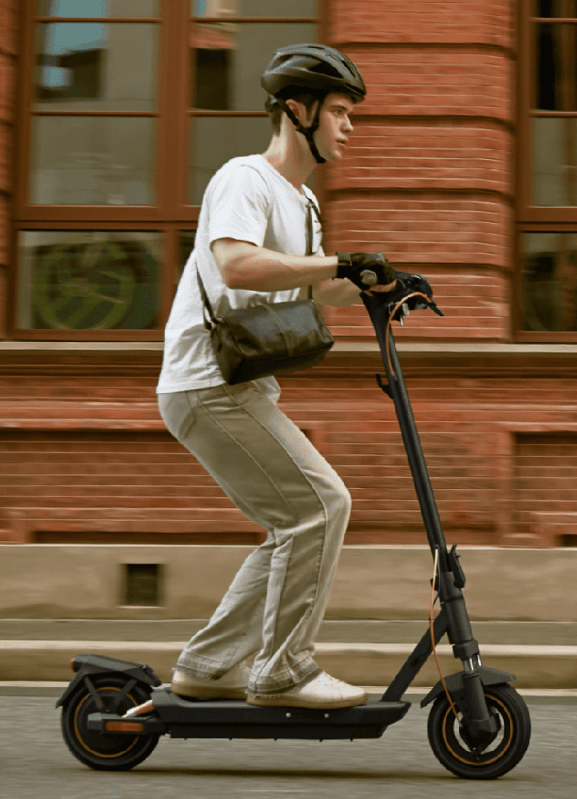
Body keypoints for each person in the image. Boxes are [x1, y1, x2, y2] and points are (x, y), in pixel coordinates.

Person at [154, 43, 395, 710]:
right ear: (299, 110)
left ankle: (207, 665)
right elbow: (235, 265)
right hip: (207, 384)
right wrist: (335, 263)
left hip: (236, 388)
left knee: (296, 522)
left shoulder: (304, 203)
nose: (349, 125)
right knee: (322, 505)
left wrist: (378, 284)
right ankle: (281, 669)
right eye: (340, 112)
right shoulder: (244, 178)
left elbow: (311, 288)